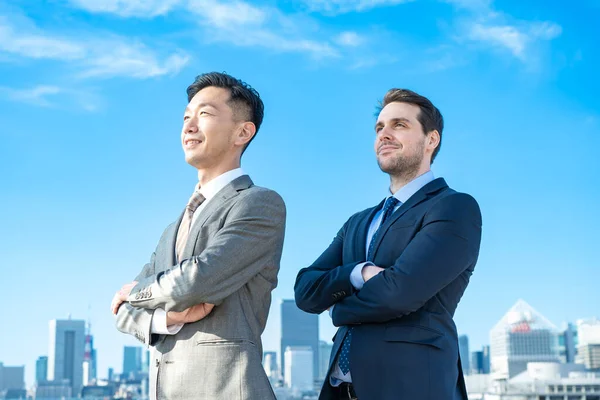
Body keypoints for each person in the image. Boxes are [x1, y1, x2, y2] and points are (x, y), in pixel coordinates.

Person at [294, 88, 482, 400]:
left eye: (399, 125)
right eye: (380, 127)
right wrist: (360, 273)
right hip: (341, 392)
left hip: (413, 388)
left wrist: (338, 309)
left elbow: (398, 294)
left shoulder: (453, 208)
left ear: (431, 140)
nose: (384, 134)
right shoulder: (358, 222)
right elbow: (305, 292)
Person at [111, 72, 286, 400]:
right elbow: (122, 314)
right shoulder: (171, 230)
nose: (189, 126)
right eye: (186, 117)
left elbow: (198, 279)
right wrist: (167, 318)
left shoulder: (259, 203)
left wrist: (136, 292)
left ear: (242, 132)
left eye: (204, 114)